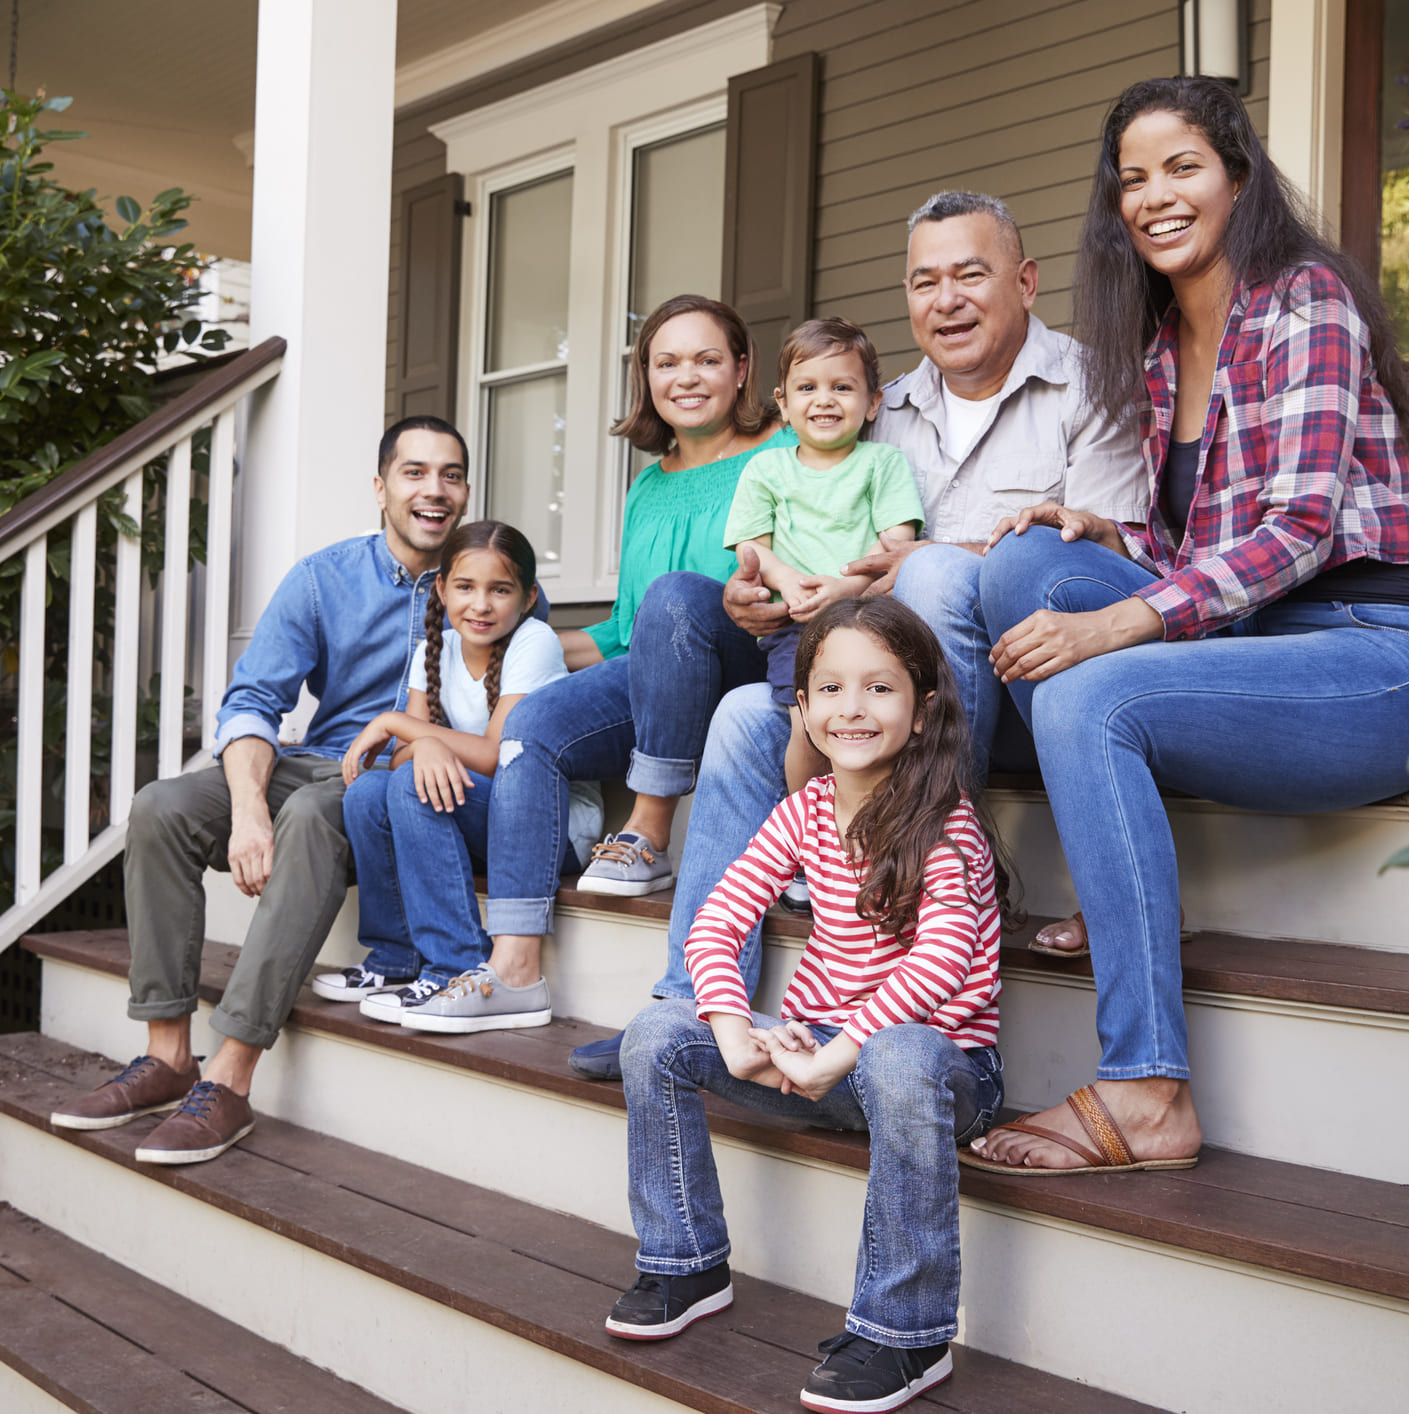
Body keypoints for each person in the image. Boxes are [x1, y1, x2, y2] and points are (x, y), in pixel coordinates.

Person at [962, 78, 1409, 1176]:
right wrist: (1096, 530)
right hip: (1257, 646)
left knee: (1091, 688)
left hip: (1382, 646)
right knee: (1021, 567)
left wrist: (1122, 623)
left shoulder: (1305, 303)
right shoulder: (1155, 350)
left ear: (1237, 177)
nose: (1154, 196)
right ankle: (1122, 889)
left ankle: (1148, 1087)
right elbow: (1200, 561)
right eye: (1132, 178)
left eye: (1181, 167)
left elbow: (1296, 531)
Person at [569, 191, 1145, 1080]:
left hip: (1024, 692)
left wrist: (910, 571)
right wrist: (757, 598)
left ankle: (931, 844)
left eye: (970, 274)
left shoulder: (1090, 385)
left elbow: (1106, 553)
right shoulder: (884, 408)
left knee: (939, 573)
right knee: (737, 721)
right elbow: (808, 530)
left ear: (1026, 283)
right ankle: (686, 1005)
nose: (944, 299)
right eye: (924, 281)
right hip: (861, 698)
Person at [605, 597, 1004, 1414]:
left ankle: (905, 1334)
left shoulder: (947, 825)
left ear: (924, 710)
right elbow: (717, 919)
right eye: (829, 688)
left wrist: (839, 1049)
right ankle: (684, 1264)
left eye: (878, 689)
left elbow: (938, 963)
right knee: (655, 1033)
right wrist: (732, 1027)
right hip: (817, 1058)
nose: (850, 709)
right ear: (803, 706)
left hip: (934, 1070)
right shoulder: (803, 812)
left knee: (898, 1053)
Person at [48, 416, 471, 1165]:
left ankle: (231, 1074)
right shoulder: (324, 577)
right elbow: (252, 702)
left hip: (387, 782)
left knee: (310, 811)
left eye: (450, 475)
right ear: (380, 489)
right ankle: (167, 1053)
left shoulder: (484, 580)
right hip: (311, 759)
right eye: (414, 473)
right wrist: (247, 812)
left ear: (465, 492)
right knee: (161, 807)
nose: (432, 491)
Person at [458, 296, 791, 1009]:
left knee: (678, 596)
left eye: (706, 359)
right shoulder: (647, 483)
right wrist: (515, 640)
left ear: (740, 370)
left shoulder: (783, 452)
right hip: (659, 670)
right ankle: (514, 964)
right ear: (646, 378)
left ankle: (647, 829)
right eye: (666, 362)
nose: (686, 377)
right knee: (534, 726)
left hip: (752, 663)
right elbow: (624, 627)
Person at [337, 521, 599, 1032]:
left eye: (500, 590)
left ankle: (455, 964)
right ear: (441, 588)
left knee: (412, 786)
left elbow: (493, 755)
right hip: (483, 814)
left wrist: (400, 726)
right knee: (368, 791)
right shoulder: (433, 650)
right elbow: (401, 759)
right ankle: (395, 957)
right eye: (465, 587)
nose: (480, 604)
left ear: (527, 598)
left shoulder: (535, 641)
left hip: (548, 829)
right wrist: (423, 742)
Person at [725, 317, 924, 797]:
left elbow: (895, 541)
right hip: (797, 626)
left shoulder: (882, 463)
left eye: (842, 386)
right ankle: (809, 835)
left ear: (873, 402)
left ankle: (875, 827)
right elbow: (752, 546)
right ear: (784, 404)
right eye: (807, 387)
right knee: (812, 728)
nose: (824, 399)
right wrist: (788, 581)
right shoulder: (766, 469)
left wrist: (846, 587)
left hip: (873, 619)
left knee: (877, 731)